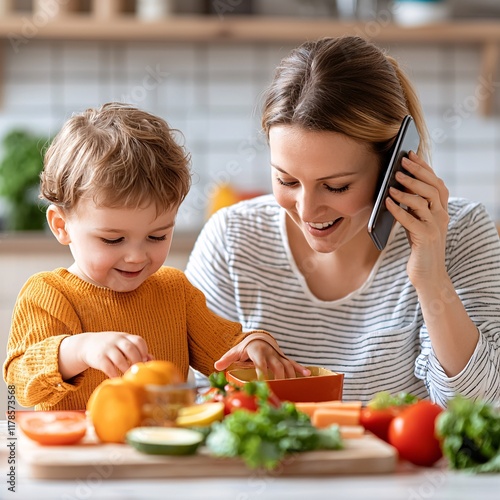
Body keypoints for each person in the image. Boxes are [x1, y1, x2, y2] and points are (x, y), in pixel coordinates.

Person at [185, 36, 500, 407]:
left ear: (394, 166)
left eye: (335, 186)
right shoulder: (231, 239)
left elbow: (483, 409)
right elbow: (195, 402)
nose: (306, 210)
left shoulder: (461, 232)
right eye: (286, 181)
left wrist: (431, 278)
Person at [3, 103, 308, 412]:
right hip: (80, 453)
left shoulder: (176, 291)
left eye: (157, 236)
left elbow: (225, 352)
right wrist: (78, 349)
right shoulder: (48, 294)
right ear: (60, 225)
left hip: (164, 451)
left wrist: (253, 345)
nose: (136, 257)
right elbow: (21, 381)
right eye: (113, 239)